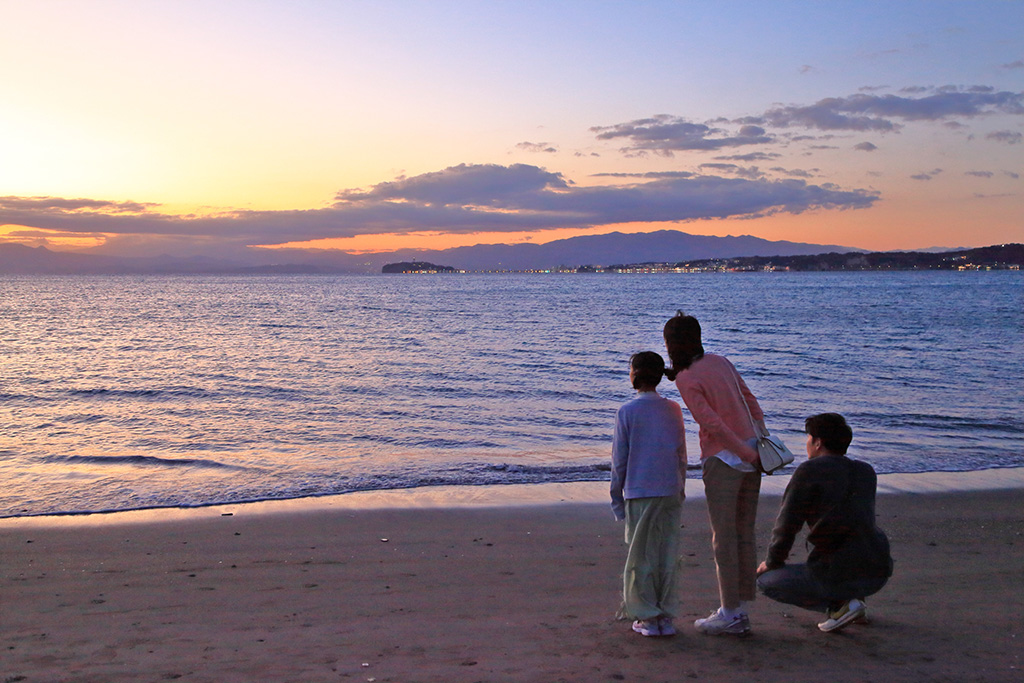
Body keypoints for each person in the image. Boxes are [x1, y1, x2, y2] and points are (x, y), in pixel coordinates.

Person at [663, 311, 765, 636]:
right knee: (743, 532)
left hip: (725, 459)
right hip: (751, 453)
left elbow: (711, 423)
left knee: (724, 537)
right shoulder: (720, 361)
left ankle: (731, 612)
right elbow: (751, 401)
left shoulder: (686, 378)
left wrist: (745, 451)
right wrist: (759, 439)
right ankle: (739, 608)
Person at [756, 413, 893, 633]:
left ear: (818, 442)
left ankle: (840, 607)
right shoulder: (865, 471)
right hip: (878, 570)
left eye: (808, 438)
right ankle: (855, 604)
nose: (807, 443)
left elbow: (787, 525)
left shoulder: (810, 470)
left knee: (767, 582)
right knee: (854, 537)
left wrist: (772, 562)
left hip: (838, 571)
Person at [610, 351, 688, 637]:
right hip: (668, 488)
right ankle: (665, 615)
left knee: (640, 556)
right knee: (666, 554)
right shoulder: (673, 409)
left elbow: (620, 460)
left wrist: (616, 498)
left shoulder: (627, 411)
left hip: (640, 491)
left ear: (635, 374)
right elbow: (681, 454)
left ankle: (646, 616)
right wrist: (681, 487)